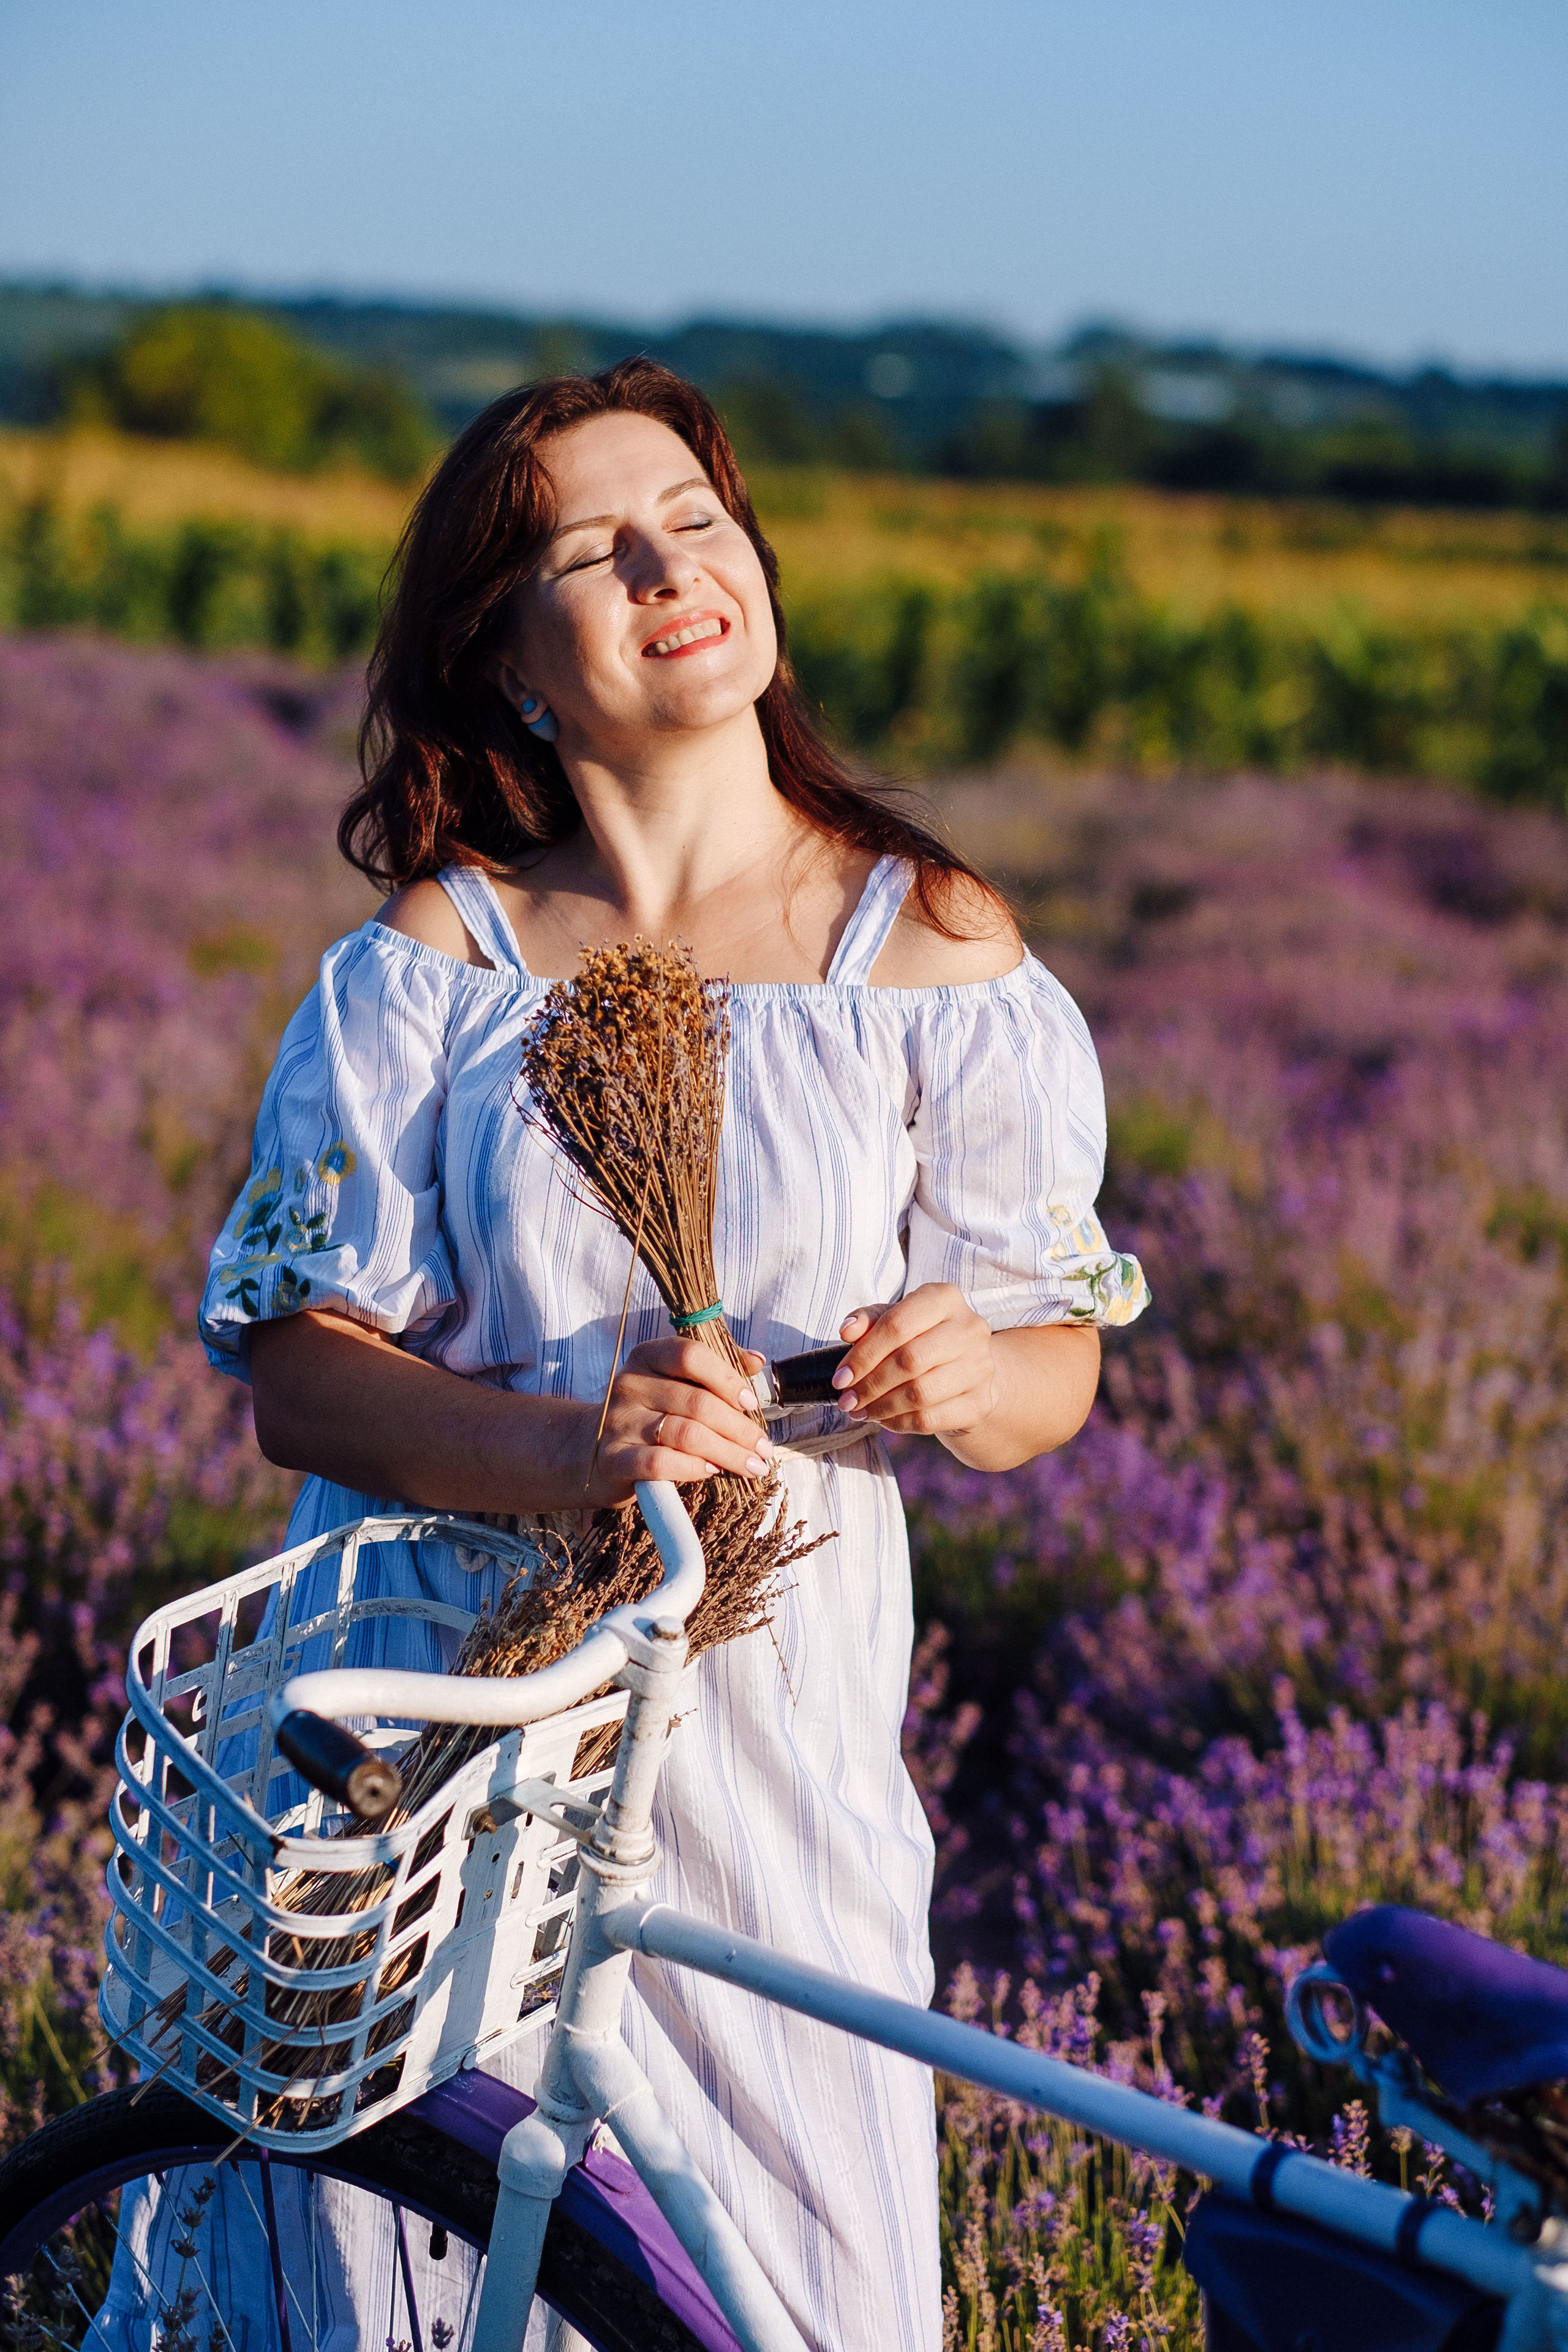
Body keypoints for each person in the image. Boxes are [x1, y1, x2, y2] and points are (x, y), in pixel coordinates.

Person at [189, 358, 1145, 2351]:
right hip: (440, 1738)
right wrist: (571, 1453)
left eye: (696, 521)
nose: (670, 567)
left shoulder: (932, 954)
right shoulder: (435, 970)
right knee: (405, 2269)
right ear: (511, 657)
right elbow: (300, 1374)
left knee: (794, 2284)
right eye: (592, 550)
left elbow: (1055, 1372)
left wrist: (976, 1377)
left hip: (770, 1746)